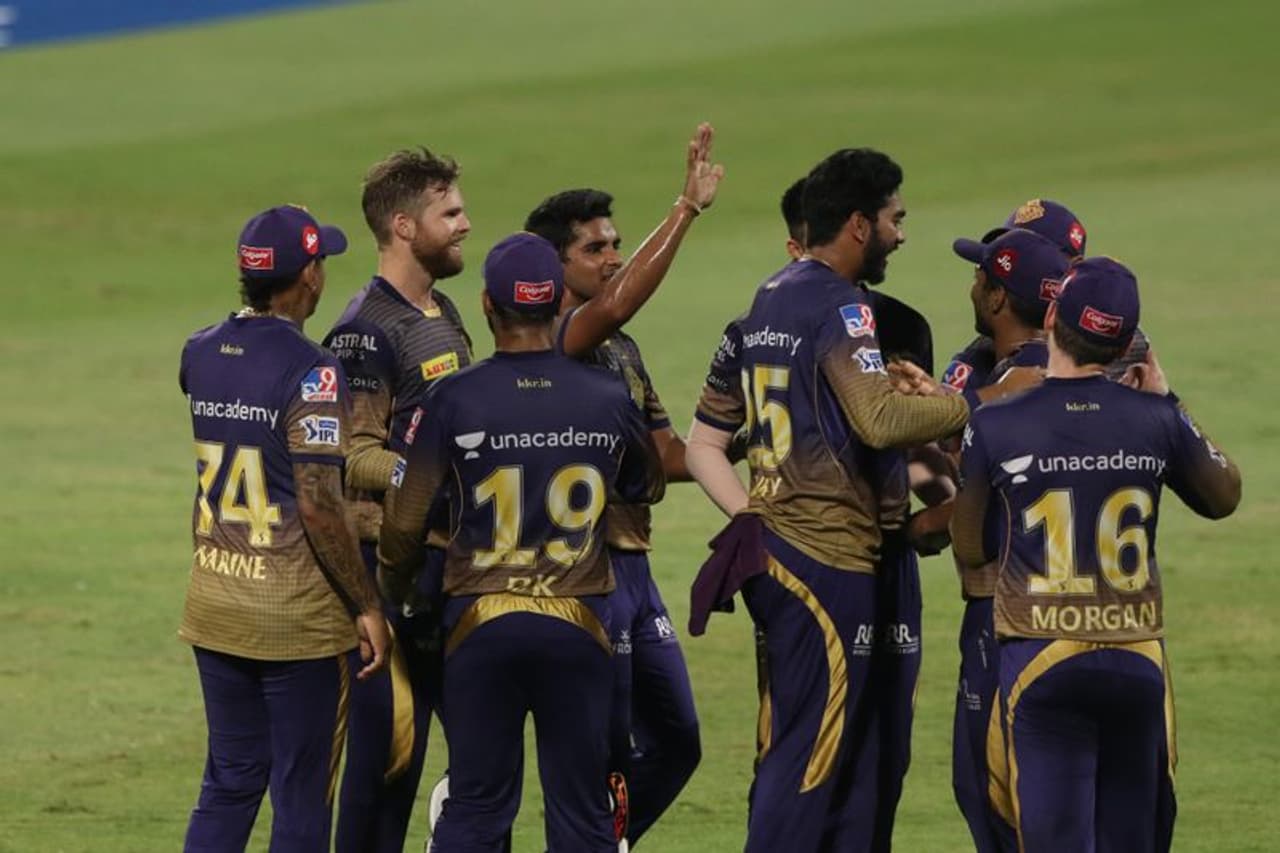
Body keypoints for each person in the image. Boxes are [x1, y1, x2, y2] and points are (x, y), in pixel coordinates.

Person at [685, 148, 970, 852]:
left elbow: (708, 440)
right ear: (858, 224)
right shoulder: (840, 305)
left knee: (826, 748)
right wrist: (969, 409)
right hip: (824, 556)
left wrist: (751, 512)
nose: (901, 234)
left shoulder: (766, 301)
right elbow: (878, 418)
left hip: (797, 551)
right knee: (812, 757)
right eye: (894, 219)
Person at [377, 233, 666, 853]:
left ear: (487, 304)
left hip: (479, 625)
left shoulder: (452, 396)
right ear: (556, 302)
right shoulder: (608, 396)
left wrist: (398, 589)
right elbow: (647, 484)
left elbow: (404, 520)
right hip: (580, 624)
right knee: (582, 812)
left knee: (477, 806)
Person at [950, 257, 1241, 853]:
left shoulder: (996, 423)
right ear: (1126, 342)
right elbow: (1223, 495)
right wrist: (1167, 396)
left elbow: (970, 543)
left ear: (1051, 318)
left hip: (1041, 659)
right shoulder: (1156, 418)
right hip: (1136, 659)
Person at [179, 205, 391, 853]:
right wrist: (365, 604)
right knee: (301, 792)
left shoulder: (200, 350)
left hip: (215, 600)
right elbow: (321, 505)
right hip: (294, 618)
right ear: (308, 277)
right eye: (321, 260)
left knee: (229, 780)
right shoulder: (313, 370)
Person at [522, 175, 721, 846]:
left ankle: (598, 839)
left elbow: (667, 453)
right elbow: (615, 304)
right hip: (586, 570)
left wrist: (748, 439)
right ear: (554, 265)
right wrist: (685, 211)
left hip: (635, 567)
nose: (613, 258)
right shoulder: (556, 338)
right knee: (600, 747)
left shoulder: (621, 349)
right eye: (595, 248)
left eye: (615, 244)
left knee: (677, 738)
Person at [324, 146, 474, 853]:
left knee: (479, 750)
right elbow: (351, 455)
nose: (465, 224)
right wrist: (431, 477)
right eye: (451, 213)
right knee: (387, 760)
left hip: (444, 564)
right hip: (383, 571)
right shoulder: (364, 331)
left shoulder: (442, 310)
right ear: (405, 227)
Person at [945, 227, 1069, 852]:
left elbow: (971, 537)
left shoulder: (1012, 390)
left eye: (980, 277)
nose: (973, 285)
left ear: (998, 298)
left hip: (1007, 612)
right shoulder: (1070, 372)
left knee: (991, 792)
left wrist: (916, 526)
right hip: (1083, 611)